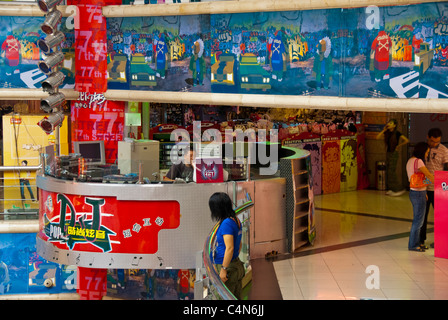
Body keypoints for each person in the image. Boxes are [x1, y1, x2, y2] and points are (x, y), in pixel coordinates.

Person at [209, 192, 245, 299]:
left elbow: (230, 248)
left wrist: (224, 269)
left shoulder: (226, 223)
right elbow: (239, 244)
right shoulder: (235, 219)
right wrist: (234, 259)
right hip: (235, 265)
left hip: (228, 269)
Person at [421, 128, 448, 249]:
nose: (434, 144)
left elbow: (446, 169)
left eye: (437, 142)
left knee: (441, 217)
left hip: (438, 186)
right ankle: (421, 240)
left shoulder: (444, 150)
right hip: (424, 186)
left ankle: (441, 242)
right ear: (427, 137)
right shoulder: (422, 148)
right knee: (422, 216)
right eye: (432, 141)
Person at [406, 142, 434, 252]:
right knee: (418, 221)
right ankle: (413, 245)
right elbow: (429, 176)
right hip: (418, 193)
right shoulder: (419, 161)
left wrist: (425, 191)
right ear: (422, 151)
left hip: (414, 192)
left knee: (419, 220)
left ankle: (417, 243)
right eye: (427, 152)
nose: (427, 154)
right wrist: (439, 179)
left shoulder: (410, 160)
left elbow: (414, 178)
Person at [376, 119, 409, 196]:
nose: (389, 124)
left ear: (394, 125)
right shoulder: (387, 132)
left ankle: (398, 188)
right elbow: (377, 137)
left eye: (391, 123)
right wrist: (384, 130)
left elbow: (406, 140)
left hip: (394, 153)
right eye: (388, 123)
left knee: (392, 171)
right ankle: (391, 189)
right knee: (388, 171)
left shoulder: (397, 133)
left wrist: (398, 146)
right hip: (388, 153)